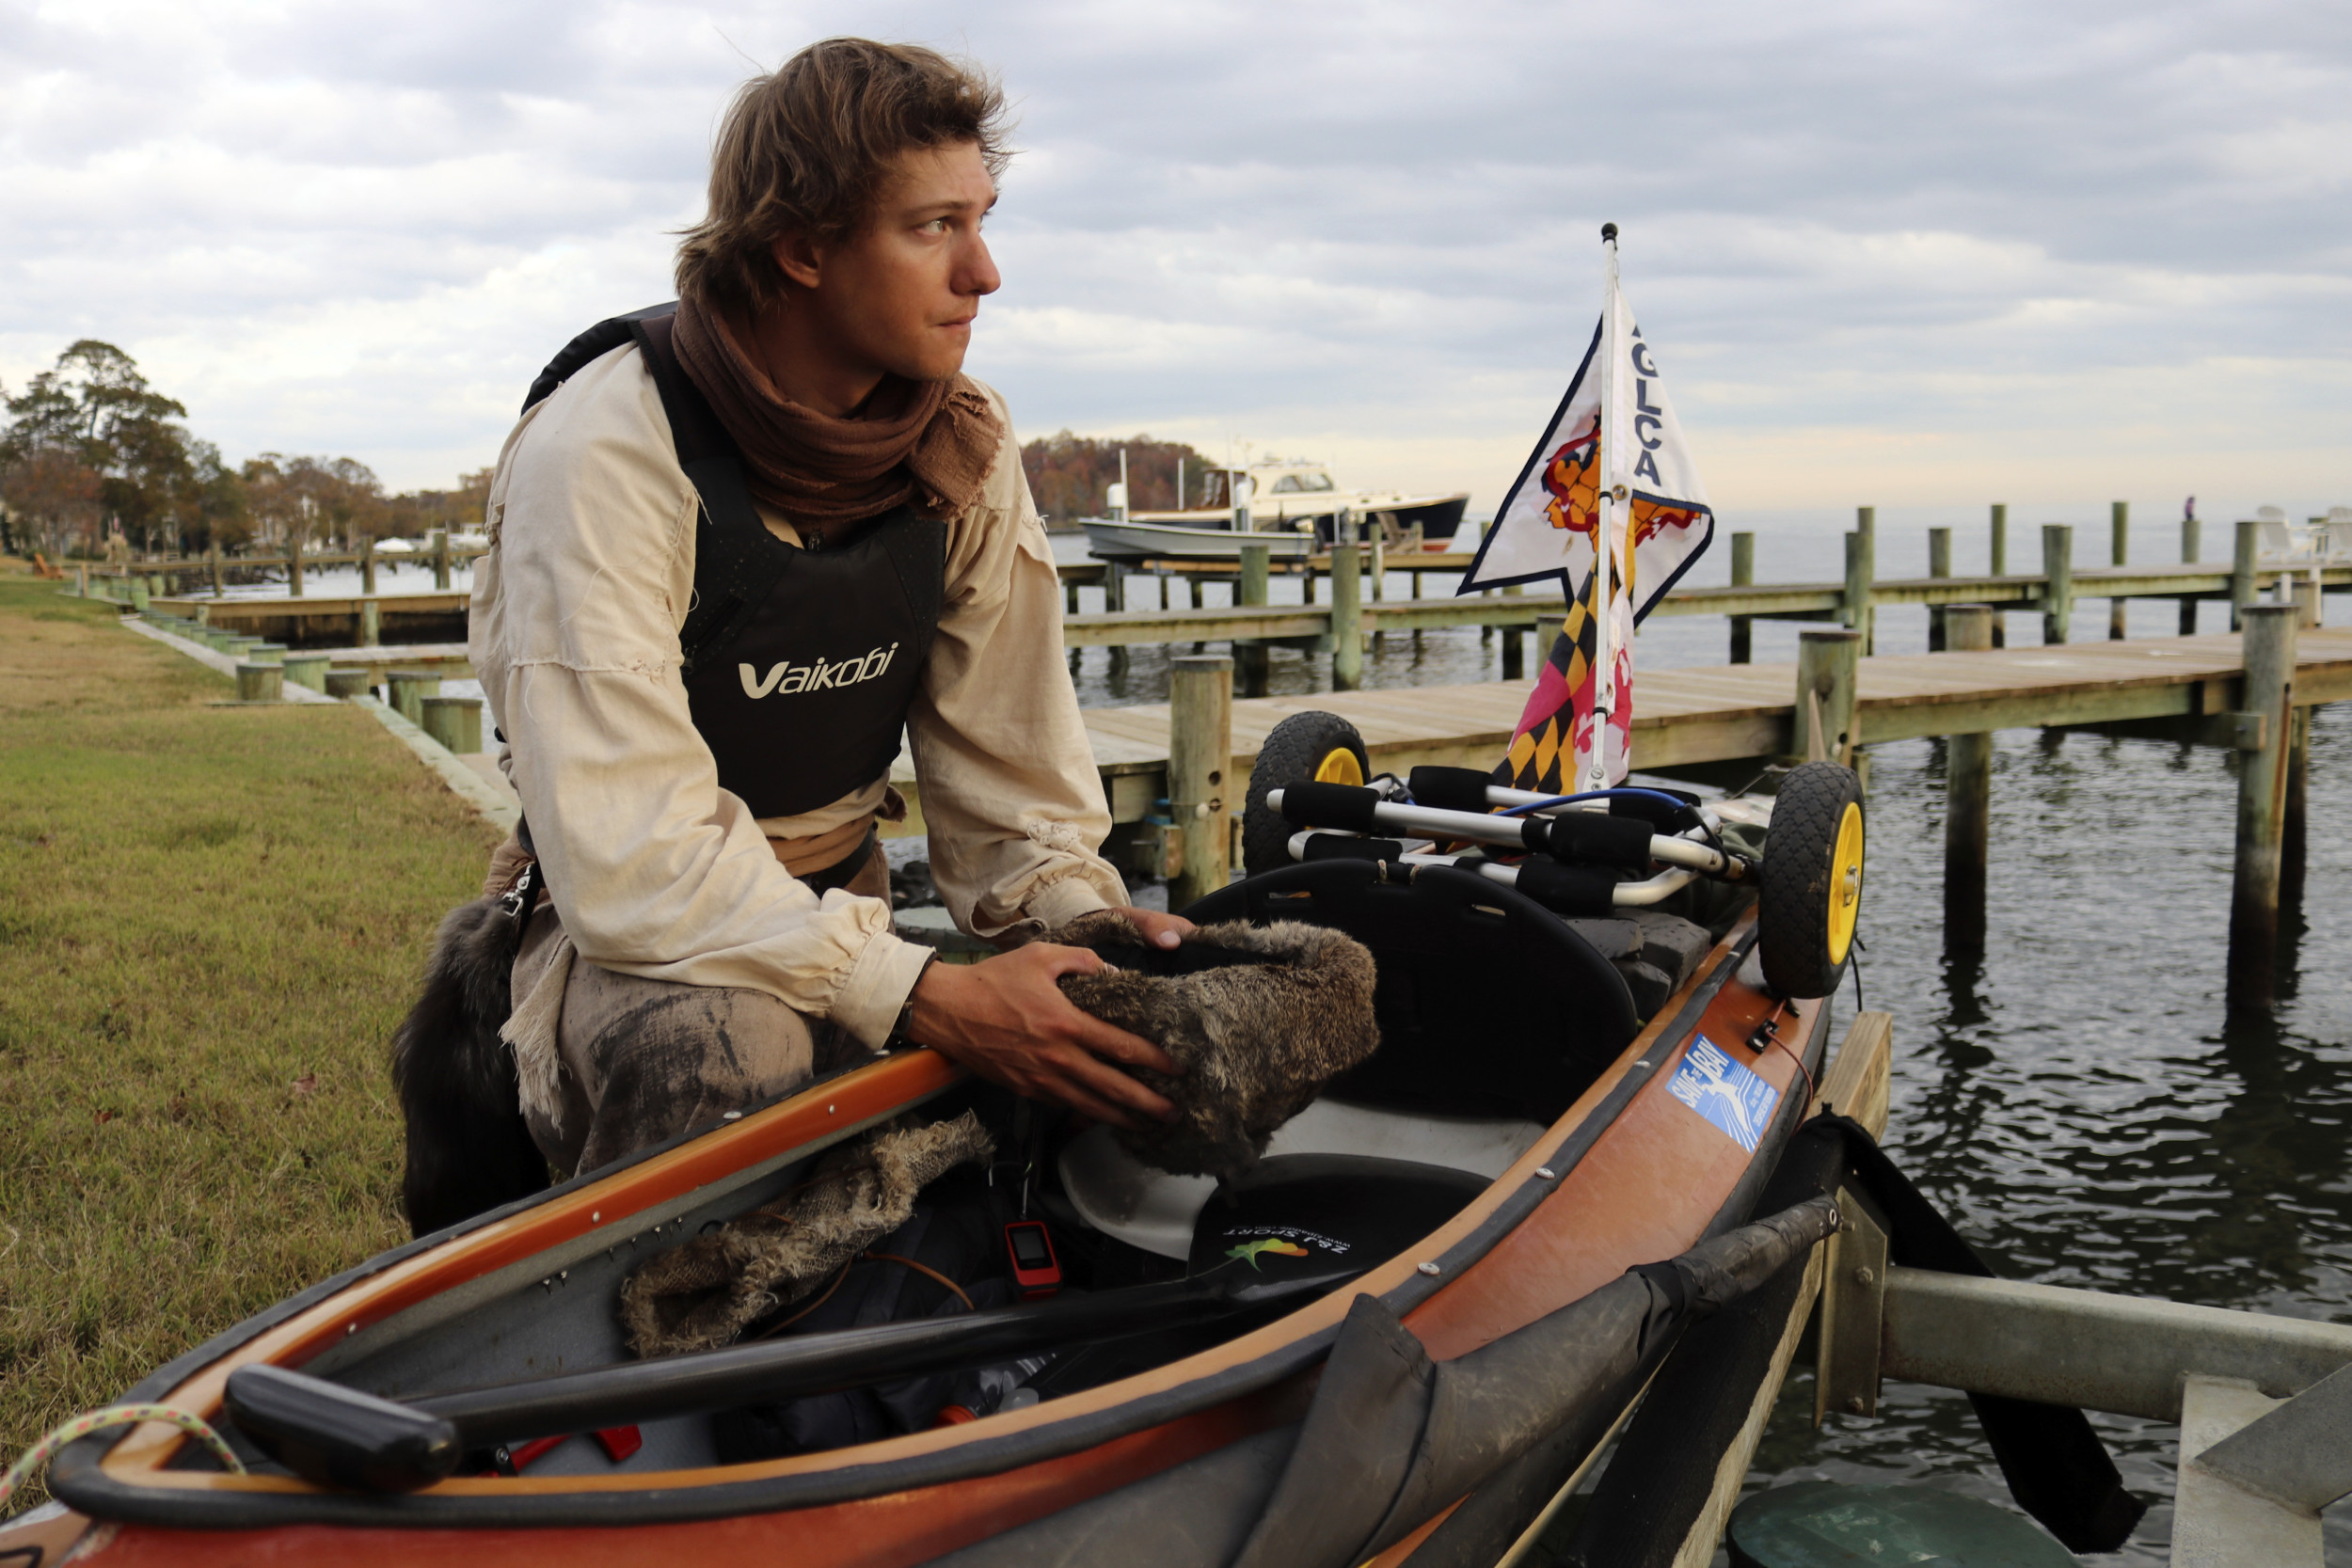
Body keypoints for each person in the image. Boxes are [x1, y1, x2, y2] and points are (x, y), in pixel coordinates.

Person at [468, 39, 1188, 1181]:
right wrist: (922, 992)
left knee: (1141, 1015)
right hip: (633, 937)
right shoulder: (603, 453)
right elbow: (634, 860)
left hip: (840, 895)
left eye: (984, 217)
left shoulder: (964, 441)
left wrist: (1087, 929)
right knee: (732, 1056)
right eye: (932, 227)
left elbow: (1013, 783)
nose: (985, 272)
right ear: (802, 248)